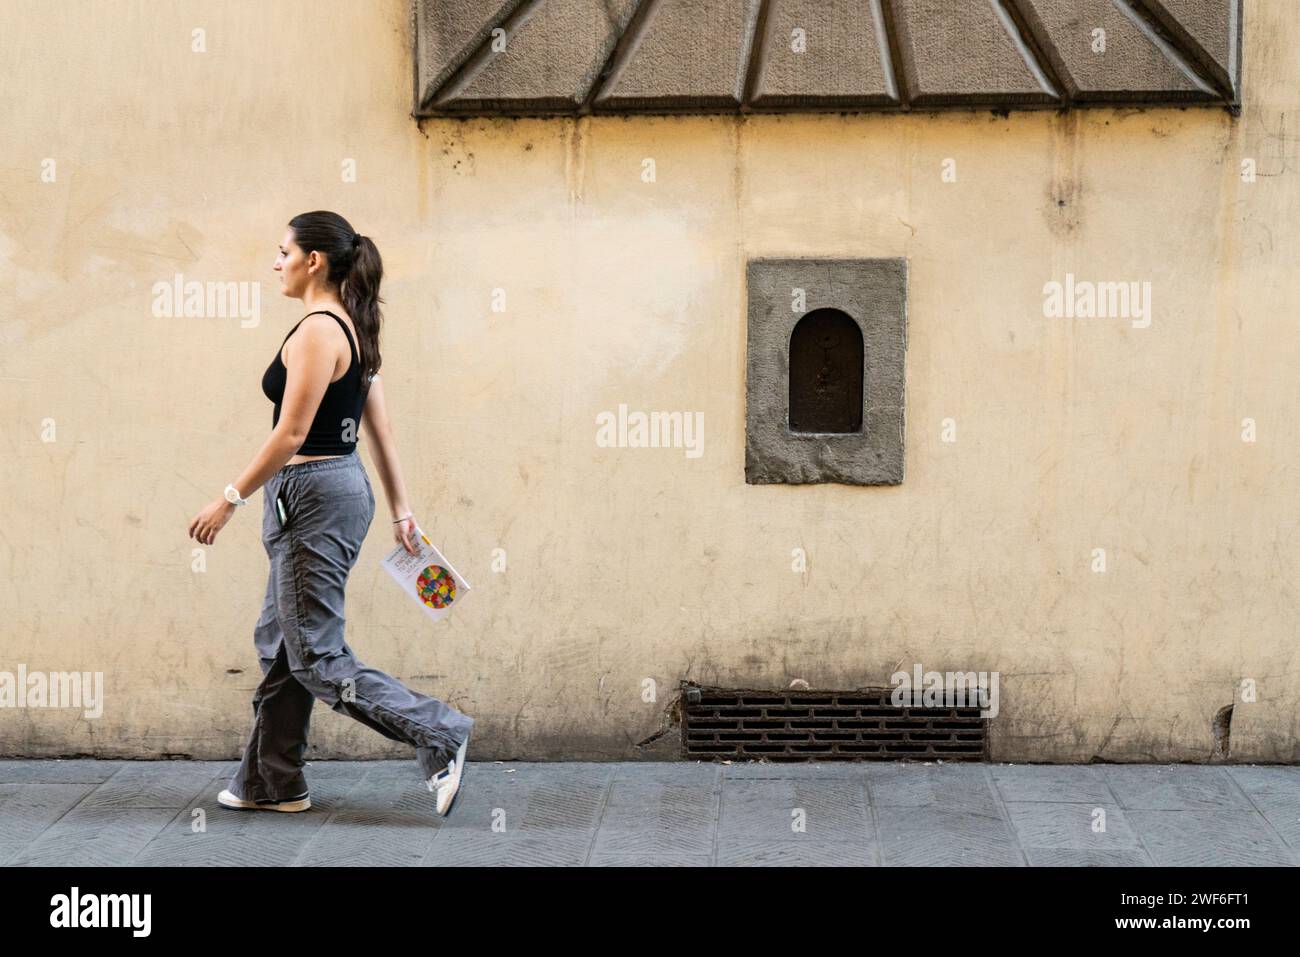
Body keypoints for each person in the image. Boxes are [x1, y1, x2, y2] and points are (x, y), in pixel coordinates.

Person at [186, 210, 473, 817]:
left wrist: (229, 499)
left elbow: (291, 433)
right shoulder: (356, 327)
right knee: (282, 642)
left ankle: (439, 733)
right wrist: (401, 510)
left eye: (282, 251)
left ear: (313, 260)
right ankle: (272, 781)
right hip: (339, 488)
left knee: (314, 653)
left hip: (311, 491)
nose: (276, 262)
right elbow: (381, 429)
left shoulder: (319, 329)